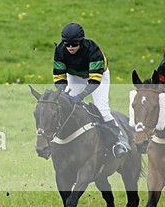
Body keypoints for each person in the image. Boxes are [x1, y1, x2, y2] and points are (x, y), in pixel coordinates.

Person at [52, 22, 129, 157]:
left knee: (102, 108)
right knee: (67, 105)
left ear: (81, 42)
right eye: (67, 44)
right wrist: (62, 94)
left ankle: (120, 140)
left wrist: (80, 96)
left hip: (98, 77)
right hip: (74, 76)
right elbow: (59, 77)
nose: (70, 47)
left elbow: (94, 81)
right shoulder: (60, 50)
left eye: (74, 44)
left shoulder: (93, 50)